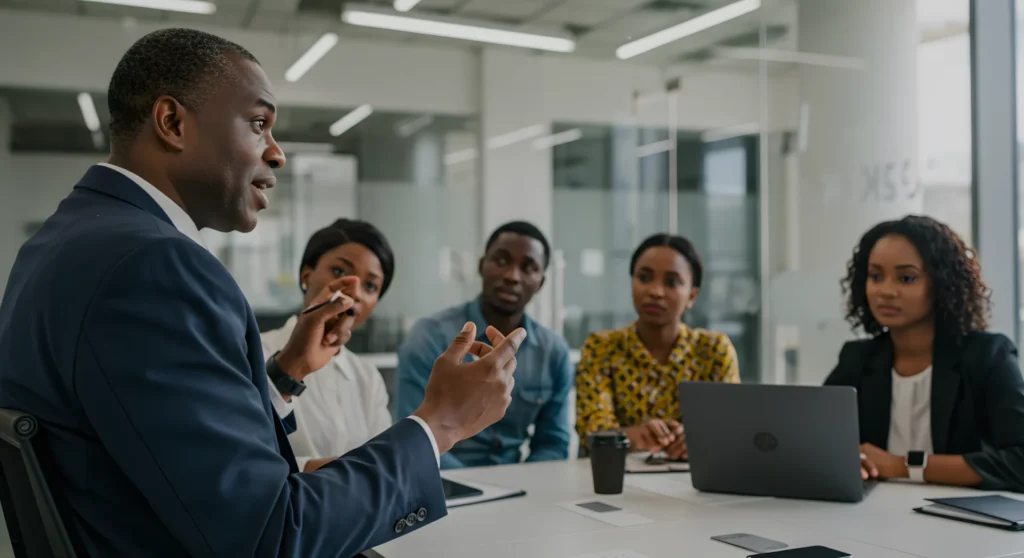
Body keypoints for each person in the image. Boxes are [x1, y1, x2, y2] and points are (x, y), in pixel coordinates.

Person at [0, 28, 527, 557]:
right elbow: (271, 536)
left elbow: (152, 439)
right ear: (173, 122)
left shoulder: (65, 240)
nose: (276, 154)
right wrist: (440, 423)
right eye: (258, 124)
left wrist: (286, 372)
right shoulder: (154, 265)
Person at [825, 215, 1024, 492]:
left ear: (942, 284)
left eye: (906, 278)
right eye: (876, 276)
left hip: (961, 512)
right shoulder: (857, 358)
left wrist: (903, 466)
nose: (886, 291)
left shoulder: (988, 356)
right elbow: (818, 442)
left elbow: (1019, 461)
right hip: (873, 510)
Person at [395, 221, 572, 468]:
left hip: (516, 482)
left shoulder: (553, 352)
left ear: (541, 282)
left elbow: (553, 443)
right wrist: (474, 484)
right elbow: (413, 434)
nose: (512, 276)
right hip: (440, 481)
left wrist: (522, 483)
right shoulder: (429, 337)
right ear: (481, 266)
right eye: (501, 261)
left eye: (528, 268)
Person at [575, 233, 740, 460]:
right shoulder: (601, 348)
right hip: (616, 477)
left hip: (695, 477)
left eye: (671, 282)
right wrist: (633, 436)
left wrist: (697, 440)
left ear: (692, 296)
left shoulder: (714, 351)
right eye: (644, 278)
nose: (655, 291)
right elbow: (592, 430)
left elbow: (732, 430)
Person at [262, 218, 396, 472]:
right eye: (340, 272)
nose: (355, 292)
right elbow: (243, 451)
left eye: (370, 286)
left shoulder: (367, 378)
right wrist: (339, 471)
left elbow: (383, 465)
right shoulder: (255, 350)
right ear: (306, 276)